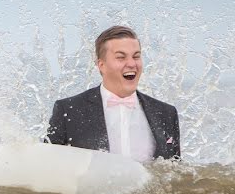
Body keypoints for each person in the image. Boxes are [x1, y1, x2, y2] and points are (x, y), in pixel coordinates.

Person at [46, 25, 180, 161]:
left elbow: (176, 174)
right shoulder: (68, 110)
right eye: (121, 57)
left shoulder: (167, 114)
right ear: (101, 65)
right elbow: (47, 167)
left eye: (136, 56)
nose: (132, 64)